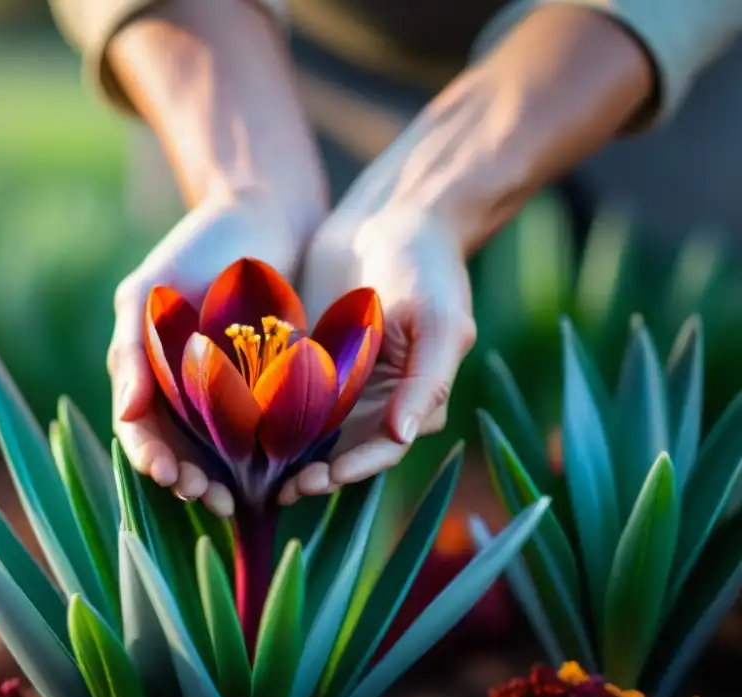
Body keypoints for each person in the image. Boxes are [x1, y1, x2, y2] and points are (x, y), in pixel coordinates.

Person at [49, 0, 742, 517]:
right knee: (280, 497)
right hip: (278, 55)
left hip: (645, 57)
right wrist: (248, 183)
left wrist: (425, 204)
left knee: (682, 430)